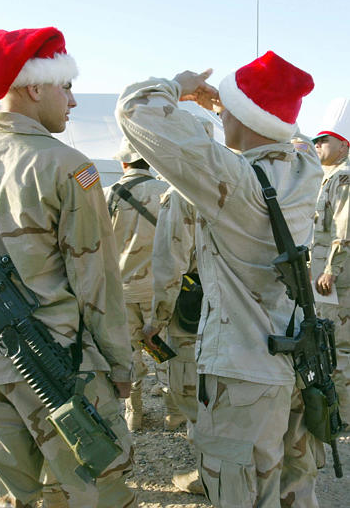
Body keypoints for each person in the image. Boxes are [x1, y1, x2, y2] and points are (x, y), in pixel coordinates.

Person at [0, 27, 136, 508]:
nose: (73, 101)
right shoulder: (70, 165)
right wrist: (121, 363)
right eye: (65, 86)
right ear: (34, 86)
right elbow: (97, 279)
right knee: (94, 491)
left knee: (6, 498)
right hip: (63, 364)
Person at [116, 51, 324, 507]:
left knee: (242, 493)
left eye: (230, 107)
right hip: (298, 363)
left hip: (243, 374)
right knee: (294, 489)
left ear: (246, 116)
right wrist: (235, 107)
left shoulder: (237, 181)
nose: (222, 112)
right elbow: (297, 136)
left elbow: (136, 111)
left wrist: (178, 84)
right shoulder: (306, 169)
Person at [103, 139, 167, 431]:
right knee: (164, 352)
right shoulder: (166, 192)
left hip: (123, 289)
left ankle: (134, 414)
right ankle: (173, 412)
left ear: (124, 163)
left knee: (130, 352)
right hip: (160, 290)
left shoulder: (110, 195)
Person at [149, 185, 203, 494]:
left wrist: (157, 320)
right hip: (240, 311)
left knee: (194, 394)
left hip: (191, 315)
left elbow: (171, 264)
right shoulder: (239, 177)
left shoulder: (182, 192)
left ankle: (212, 476)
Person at [312, 97, 350, 428]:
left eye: (324, 139)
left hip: (336, 280)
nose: (318, 145)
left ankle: (344, 417)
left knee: (340, 349)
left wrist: (330, 270)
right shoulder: (329, 177)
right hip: (329, 278)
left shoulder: (344, 178)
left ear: (343, 145)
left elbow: (344, 229)